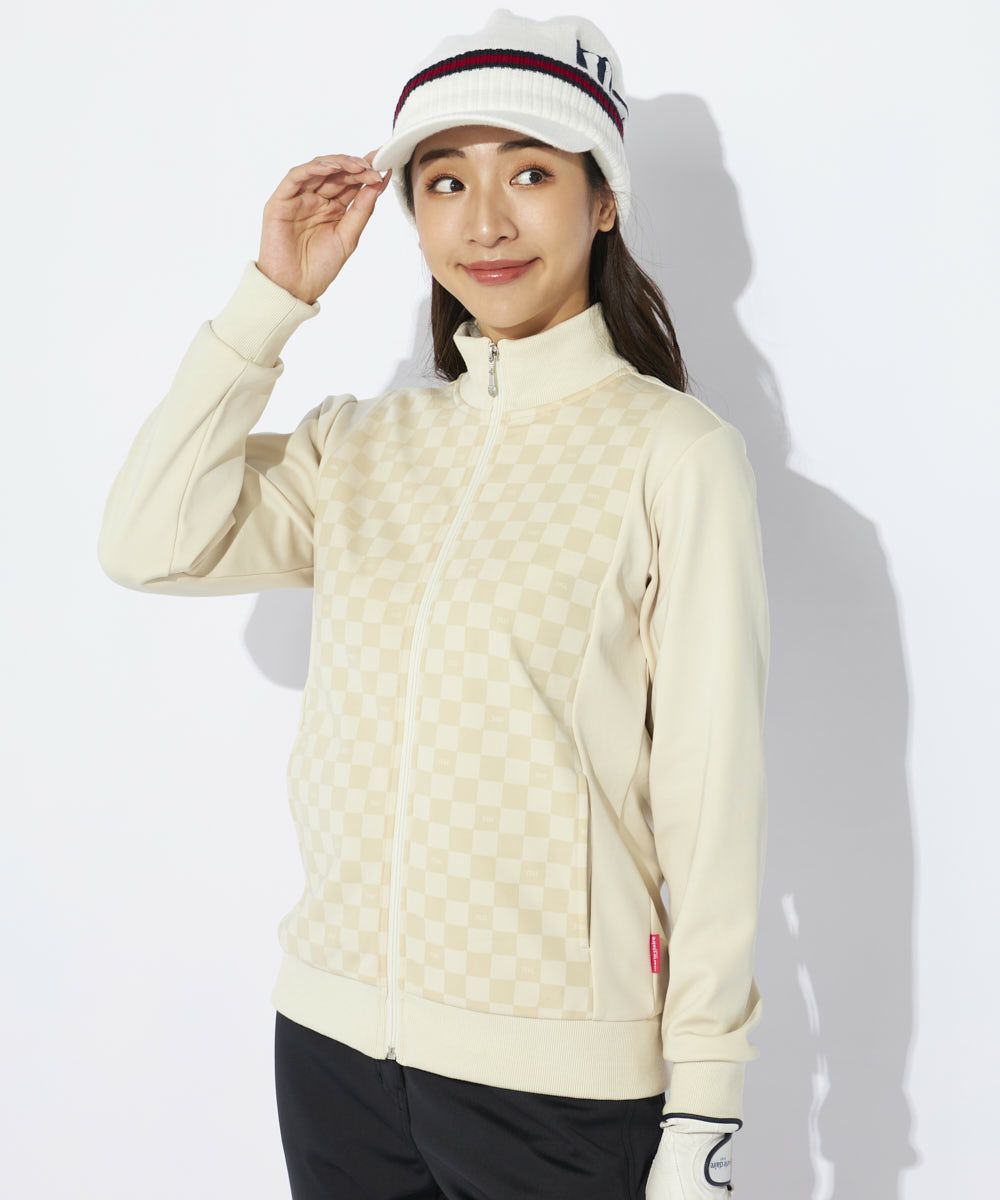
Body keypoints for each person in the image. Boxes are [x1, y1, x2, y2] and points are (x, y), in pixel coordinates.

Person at [97, 9, 770, 1199]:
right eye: (445, 181)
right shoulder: (361, 444)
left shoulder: (675, 454)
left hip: (558, 1073)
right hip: (331, 1046)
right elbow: (148, 542)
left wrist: (704, 1104)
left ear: (602, 202)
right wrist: (271, 300)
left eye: (530, 174)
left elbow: (710, 798)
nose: (485, 222)